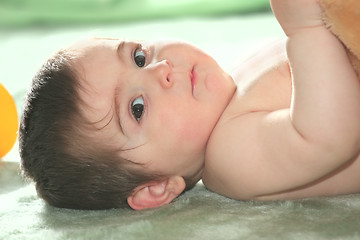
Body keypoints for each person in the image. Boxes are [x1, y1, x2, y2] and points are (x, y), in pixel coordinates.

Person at [19, 0, 360, 210]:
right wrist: (304, 28)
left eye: (139, 57)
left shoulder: (230, 86)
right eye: (137, 108)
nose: (160, 71)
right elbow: (330, 134)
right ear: (157, 187)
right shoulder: (230, 159)